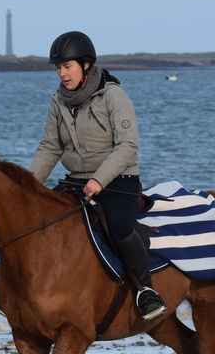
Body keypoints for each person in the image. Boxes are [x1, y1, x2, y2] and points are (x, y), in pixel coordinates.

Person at [28, 30, 167, 321]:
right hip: (76, 179)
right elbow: (50, 146)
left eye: (67, 66)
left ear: (86, 65)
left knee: (118, 226)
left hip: (119, 180)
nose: (62, 74)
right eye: (58, 68)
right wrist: (26, 185)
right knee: (41, 220)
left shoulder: (112, 95)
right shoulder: (58, 101)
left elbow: (128, 145)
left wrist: (99, 180)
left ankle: (146, 290)